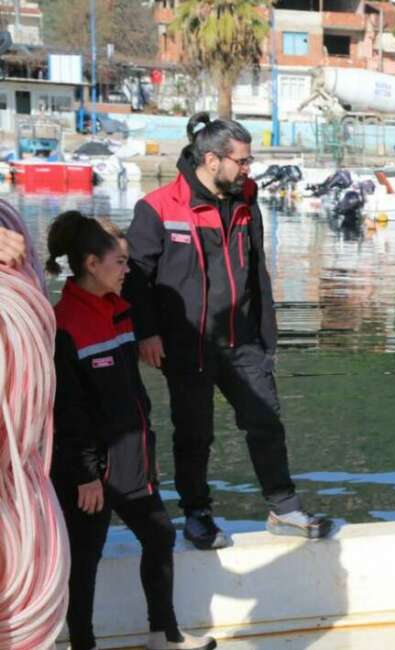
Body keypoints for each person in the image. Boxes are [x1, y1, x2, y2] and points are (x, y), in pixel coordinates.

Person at [122, 112, 332, 549]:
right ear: (212, 159)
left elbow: (256, 269)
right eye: (242, 161)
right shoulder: (159, 207)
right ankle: (198, 516)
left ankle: (284, 507)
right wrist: (147, 333)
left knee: (265, 421)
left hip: (244, 341)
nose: (248, 168)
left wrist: (266, 335)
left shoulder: (245, 200)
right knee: (194, 434)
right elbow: (136, 278)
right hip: (187, 345)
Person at [46, 211, 216, 650]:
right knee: (84, 560)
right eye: (120, 262)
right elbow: (67, 410)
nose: (128, 270)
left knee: (159, 534)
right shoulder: (63, 324)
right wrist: (85, 473)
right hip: (91, 470)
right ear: (90, 264)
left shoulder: (120, 311)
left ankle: (166, 635)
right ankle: (83, 644)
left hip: (133, 459)